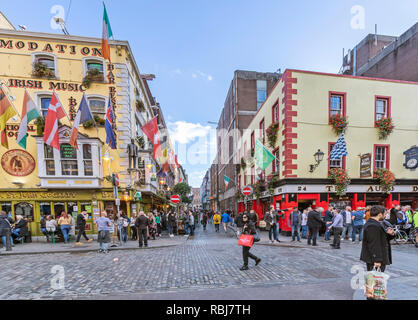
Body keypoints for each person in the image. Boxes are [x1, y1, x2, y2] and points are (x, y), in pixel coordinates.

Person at [360, 205, 395, 299]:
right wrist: (377, 259)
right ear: (380, 214)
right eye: (385, 213)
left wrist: (390, 234)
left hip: (375, 257)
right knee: (374, 283)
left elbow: (380, 238)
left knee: (375, 283)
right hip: (375, 258)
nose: (385, 215)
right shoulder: (373, 225)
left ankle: (374, 297)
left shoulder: (375, 223)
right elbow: (374, 244)